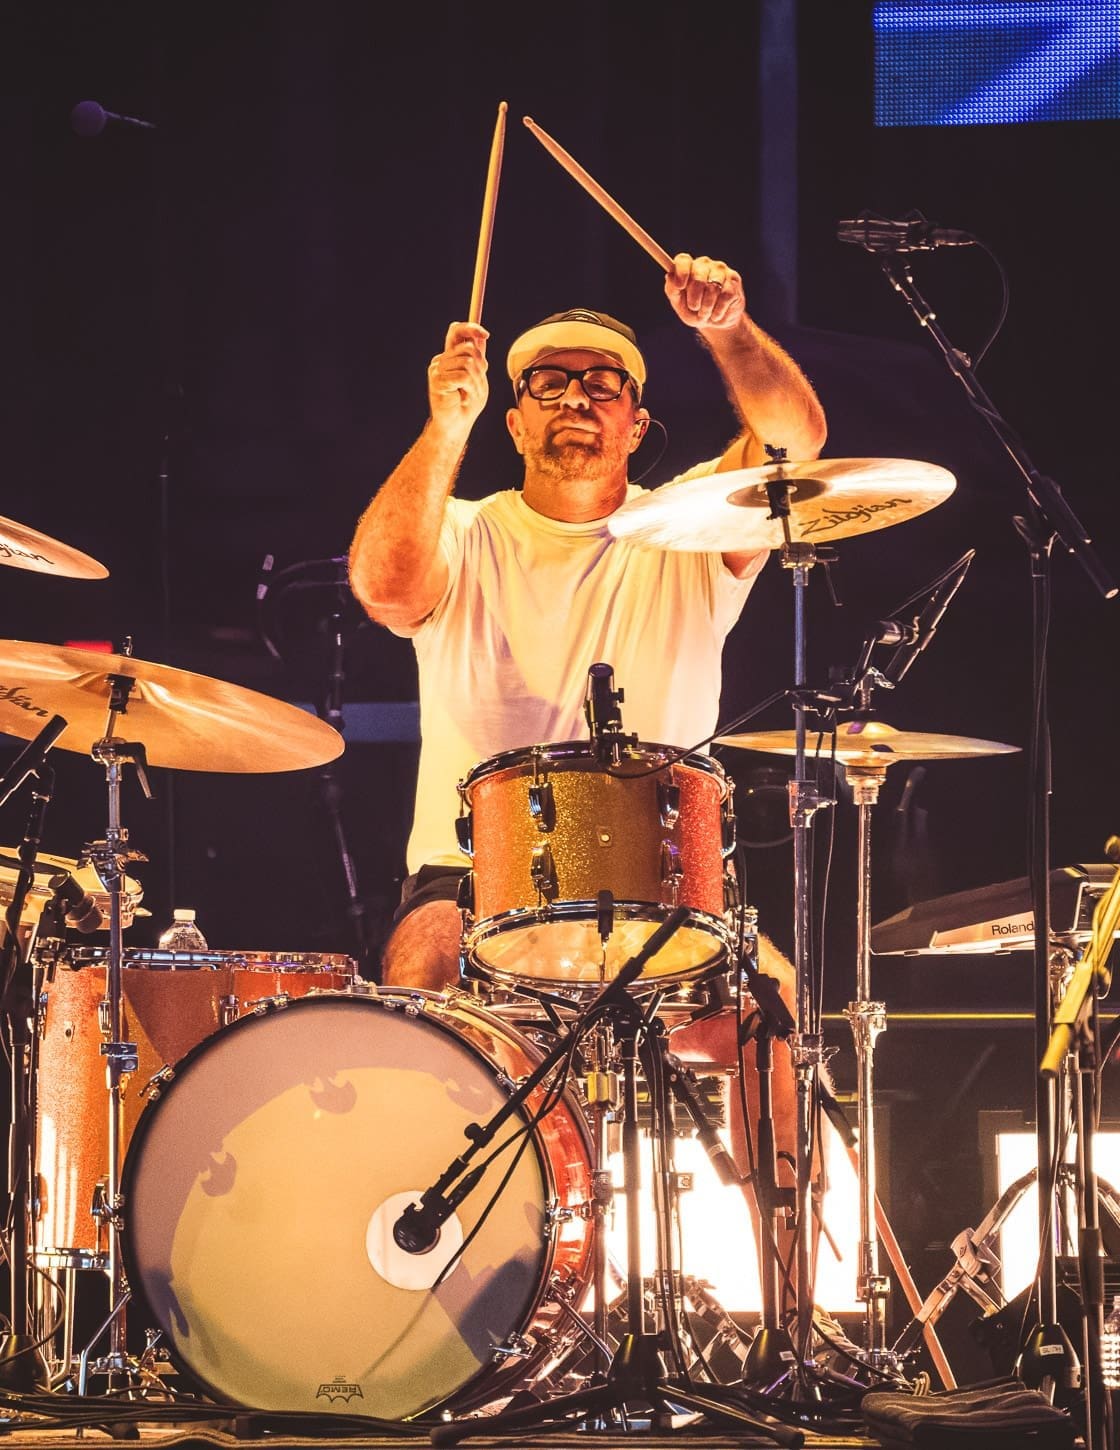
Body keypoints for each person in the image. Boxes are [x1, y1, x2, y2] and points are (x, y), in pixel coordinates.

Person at [349, 252, 827, 1303]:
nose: (575, 398)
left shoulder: (693, 523)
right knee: (417, 984)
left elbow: (794, 441)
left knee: (775, 1017)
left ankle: (791, 1316)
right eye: (547, 385)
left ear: (638, 423)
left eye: (601, 383)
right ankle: (434, 1306)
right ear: (513, 421)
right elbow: (383, 584)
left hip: (673, 883)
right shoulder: (465, 530)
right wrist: (445, 425)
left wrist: (728, 326)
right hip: (470, 875)